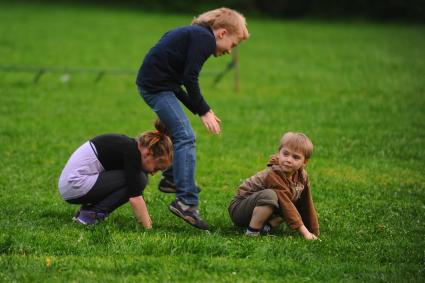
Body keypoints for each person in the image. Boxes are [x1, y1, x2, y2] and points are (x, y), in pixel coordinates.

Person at [136, 7, 250, 230]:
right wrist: (204, 110)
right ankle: (186, 202)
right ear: (222, 33)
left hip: (157, 85)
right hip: (156, 87)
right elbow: (190, 78)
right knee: (185, 137)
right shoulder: (204, 40)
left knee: (182, 134)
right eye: (233, 45)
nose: (230, 51)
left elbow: (177, 84)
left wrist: (200, 110)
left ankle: (171, 179)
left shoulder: (194, 35)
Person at [58, 120, 173, 228]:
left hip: (72, 186)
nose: (154, 173)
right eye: (157, 168)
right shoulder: (132, 152)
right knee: (141, 179)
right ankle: (91, 214)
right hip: (74, 185)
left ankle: (90, 211)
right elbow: (135, 198)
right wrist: (148, 228)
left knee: (140, 178)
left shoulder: (130, 147)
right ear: (148, 153)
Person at [228, 132, 320, 240]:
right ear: (278, 153)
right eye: (285, 154)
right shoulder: (273, 174)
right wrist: (305, 233)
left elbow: (306, 202)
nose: (289, 160)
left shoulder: (302, 176)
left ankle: (266, 227)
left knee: (290, 203)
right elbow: (286, 204)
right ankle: (252, 233)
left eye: (296, 157)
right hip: (240, 209)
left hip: (262, 209)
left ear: (305, 162)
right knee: (270, 195)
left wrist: (313, 231)